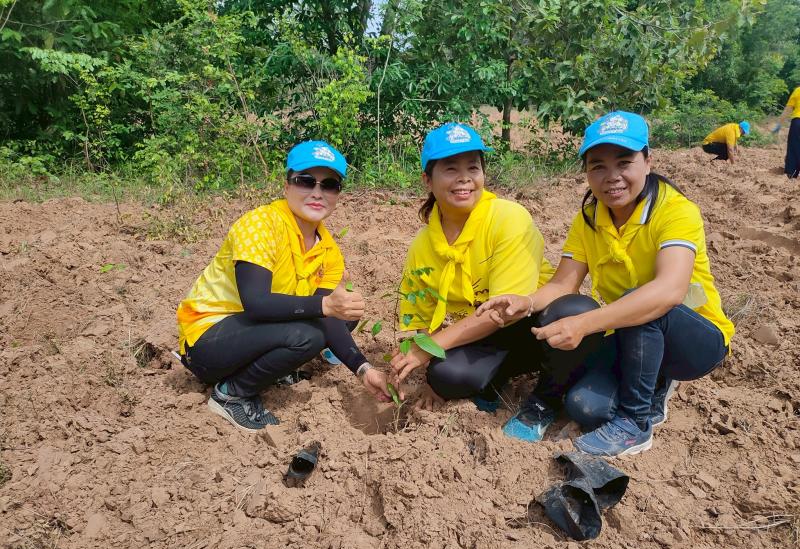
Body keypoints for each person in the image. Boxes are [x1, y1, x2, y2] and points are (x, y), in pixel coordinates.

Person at [477, 111, 735, 456]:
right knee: (585, 406)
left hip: (693, 340)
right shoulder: (589, 219)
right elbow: (563, 284)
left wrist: (585, 324)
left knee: (641, 302)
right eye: (598, 166)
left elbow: (669, 292)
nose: (612, 177)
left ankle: (635, 422)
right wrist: (526, 302)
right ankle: (642, 382)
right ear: (586, 172)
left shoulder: (675, 211)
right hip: (631, 334)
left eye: (624, 163)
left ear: (648, 161)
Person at [389, 122, 602, 442]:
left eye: (473, 167)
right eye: (450, 168)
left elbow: (502, 312)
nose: (464, 178)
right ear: (427, 180)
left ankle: (545, 399)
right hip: (485, 330)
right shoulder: (423, 245)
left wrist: (428, 349)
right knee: (445, 376)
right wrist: (423, 353)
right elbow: (420, 321)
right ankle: (496, 379)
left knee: (573, 309)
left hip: (533, 324)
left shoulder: (507, 218)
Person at [176, 140, 392, 433]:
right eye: (306, 181)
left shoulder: (328, 250)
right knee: (308, 334)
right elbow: (256, 303)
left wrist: (363, 369)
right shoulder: (261, 225)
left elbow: (327, 316)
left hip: (254, 334)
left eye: (329, 185)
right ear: (287, 185)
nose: (317, 192)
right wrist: (325, 305)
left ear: (338, 194)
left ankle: (270, 372)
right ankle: (231, 394)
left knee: (340, 318)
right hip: (208, 342)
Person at [772, 85, 800, 178]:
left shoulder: (798, 90)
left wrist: (779, 124)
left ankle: (792, 173)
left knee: (794, 147)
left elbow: (788, 109)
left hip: (798, 122)